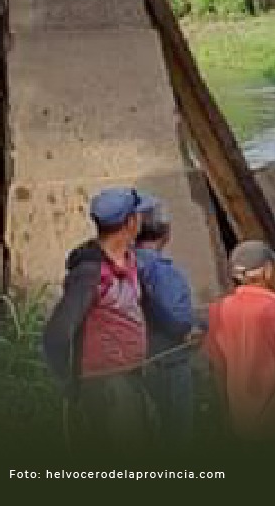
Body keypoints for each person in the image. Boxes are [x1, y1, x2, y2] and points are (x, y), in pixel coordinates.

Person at [41, 186, 157, 446]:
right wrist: (70, 384)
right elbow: (56, 335)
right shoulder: (91, 273)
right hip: (107, 387)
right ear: (130, 223)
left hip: (129, 377)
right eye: (138, 215)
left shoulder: (128, 261)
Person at [203, 241, 275, 442]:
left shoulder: (217, 310)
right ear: (267, 270)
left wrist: (225, 413)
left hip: (235, 415)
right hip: (273, 420)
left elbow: (217, 366)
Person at [134, 199, 199, 444]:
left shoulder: (123, 265)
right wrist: (196, 327)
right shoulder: (164, 272)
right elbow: (178, 322)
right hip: (166, 364)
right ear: (166, 232)